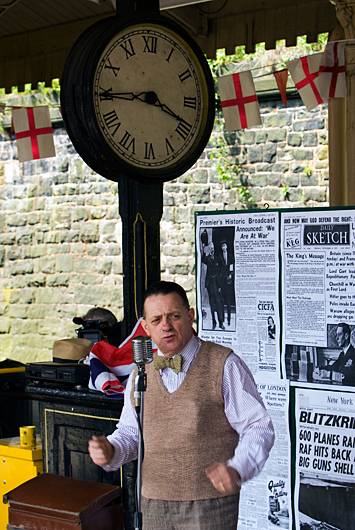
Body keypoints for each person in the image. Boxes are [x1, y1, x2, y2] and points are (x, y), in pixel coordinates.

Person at [88, 281, 275, 530]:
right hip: (153, 504)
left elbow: (258, 426)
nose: (165, 326)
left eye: (174, 316)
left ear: (190, 316)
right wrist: (111, 450)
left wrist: (238, 468)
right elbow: (131, 434)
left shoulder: (223, 364)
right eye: (156, 320)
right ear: (146, 327)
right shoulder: (139, 374)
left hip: (210, 505)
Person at [201, 241, 225, 330]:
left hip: (217, 284)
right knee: (212, 304)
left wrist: (220, 285)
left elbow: (222, 270)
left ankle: (221, 323)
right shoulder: (208, 258)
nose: (212, 249)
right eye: (210, 248)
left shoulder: (219, 258)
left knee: (219, 304)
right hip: (210, 283)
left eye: (213, 248)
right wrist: (204, 251)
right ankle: (214, 322)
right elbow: (203, 259)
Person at [218, 240, 234, 327]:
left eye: (225, 246)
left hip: (228, 281)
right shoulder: (220, 257)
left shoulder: (230, 256)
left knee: (228, 302)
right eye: (222, 246)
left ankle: (229, 320)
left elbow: (232, 267)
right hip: (222, 281)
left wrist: (230, 275)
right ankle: (222, 319)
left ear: (227, 247)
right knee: (222, 301)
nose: (223, 247)